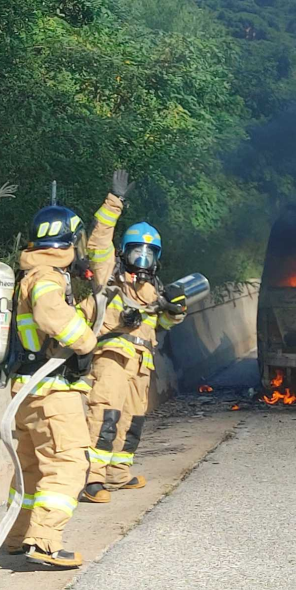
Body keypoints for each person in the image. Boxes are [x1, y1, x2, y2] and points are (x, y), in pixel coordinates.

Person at [81, 174, 188, 503]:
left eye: (148, 255)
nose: (142, 260)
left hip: (141, 364)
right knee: (105, 415)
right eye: (136, 253)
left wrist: (176, 310)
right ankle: (91, 479)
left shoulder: (154, 289)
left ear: (157, 258)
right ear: (124, 252)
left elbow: (161, 325)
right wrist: (115, 201)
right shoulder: (109, 275)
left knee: (132, 421)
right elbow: (98, 240)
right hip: (112, 357)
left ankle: (117, 473)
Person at [4, 204, 97, 568]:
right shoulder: (47, 276)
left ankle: (16, 537)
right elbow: (50, 314)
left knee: (30, 469)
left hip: (28, 389)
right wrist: (85, 341)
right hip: (52, 390)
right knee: (67, 463)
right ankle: (43, 543)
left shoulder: (30, 272)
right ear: (66, 241)